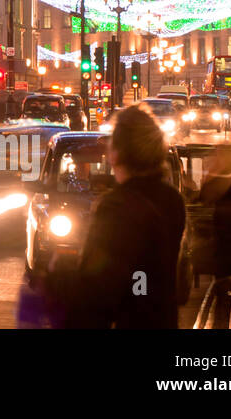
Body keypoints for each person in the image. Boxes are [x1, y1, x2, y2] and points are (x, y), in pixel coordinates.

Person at [45, 104, 187, 328]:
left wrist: (62, 277)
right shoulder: (172, 199)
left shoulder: (116, 207)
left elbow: (99, 291)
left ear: (117, 153)